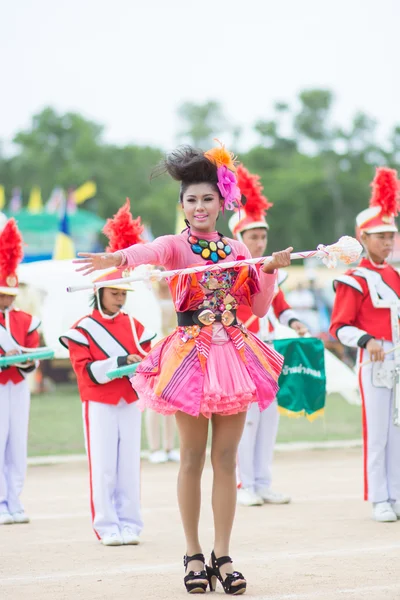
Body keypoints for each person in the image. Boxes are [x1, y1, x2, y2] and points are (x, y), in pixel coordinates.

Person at [75, 143, 292, 594]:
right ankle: (193, 553)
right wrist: (117, 260)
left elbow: (258, 304)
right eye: (191, 200)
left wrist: (269, 270)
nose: (199, 207)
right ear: (182, 205)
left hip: (233, 354)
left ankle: (223, 554)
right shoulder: (175, 246)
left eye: (207, 199)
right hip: (190, 357)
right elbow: (147, 252)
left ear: (221, 203)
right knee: (192, 457)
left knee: (227, 459)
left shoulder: (236, 248)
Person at [60, 200, 155, 546]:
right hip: (99, 402)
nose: (120, 299)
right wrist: (119, 362)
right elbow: (86, 372)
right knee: (103, 465)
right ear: (99, 292)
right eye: (114, 293)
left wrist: (139, 363)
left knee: (129, 463)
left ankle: (131, 522)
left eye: (123, 293)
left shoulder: (137, 325)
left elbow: (149, 361)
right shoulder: (81, 329)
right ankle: (106, 525)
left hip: (129, 401)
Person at [229, 164, 308, 507]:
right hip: (240, 351)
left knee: (268, 418)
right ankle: (242, 484)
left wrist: (294, 323)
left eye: (263, 237)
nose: (260, 242)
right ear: (239, 240)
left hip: (269, 352)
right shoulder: (230, 270)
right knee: (245, 421)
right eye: (253, 237)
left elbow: (281, 304)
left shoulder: (271, 271)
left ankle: (262, 481)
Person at [330, 167, 400, 523]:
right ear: (364, 237)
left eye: (391, 235)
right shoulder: (354, 279)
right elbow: (339, 326)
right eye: (380, 236)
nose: (388, 242)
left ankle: (397, 493)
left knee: (398, 430)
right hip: (373, 360)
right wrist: (368, 339)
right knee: (378, 431)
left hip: (398, 359)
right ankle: (379, 498)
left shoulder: (395, 274)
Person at [0, 218, 40, 525]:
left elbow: (34, 352)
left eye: (10, 294)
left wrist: (24, 358)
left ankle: (15, 499)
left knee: (18, 442)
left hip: (18, 384)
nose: (7, 299)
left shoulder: (26, 319)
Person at [146, 277, 180, 464]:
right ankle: (154, 448)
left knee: (172, 400)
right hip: (154, 350)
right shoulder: (149, 293)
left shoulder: (176, 291)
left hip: (174, 350)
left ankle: (169, 447)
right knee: (153, 399)